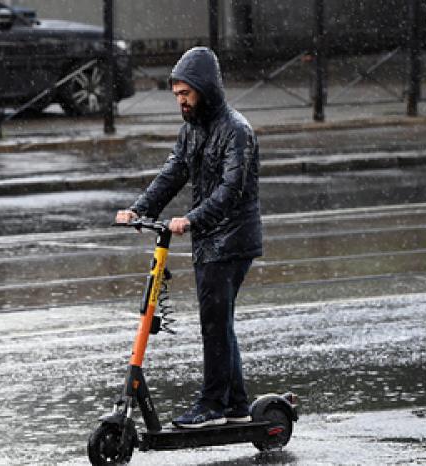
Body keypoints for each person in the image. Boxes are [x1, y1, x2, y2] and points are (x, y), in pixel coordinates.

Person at [115, 47, 262, 429]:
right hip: (209, 238)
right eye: (177, 95)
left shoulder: (237, 131)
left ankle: (213, 402)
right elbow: (173, 172)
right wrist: (139, 209)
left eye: (186, 94)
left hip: (232, 238)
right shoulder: (192, 129)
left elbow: (232, 190)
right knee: (219, 321)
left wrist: (191, 219)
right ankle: (237, 403)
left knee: (214, 323)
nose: (181, 101)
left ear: (205, 89)